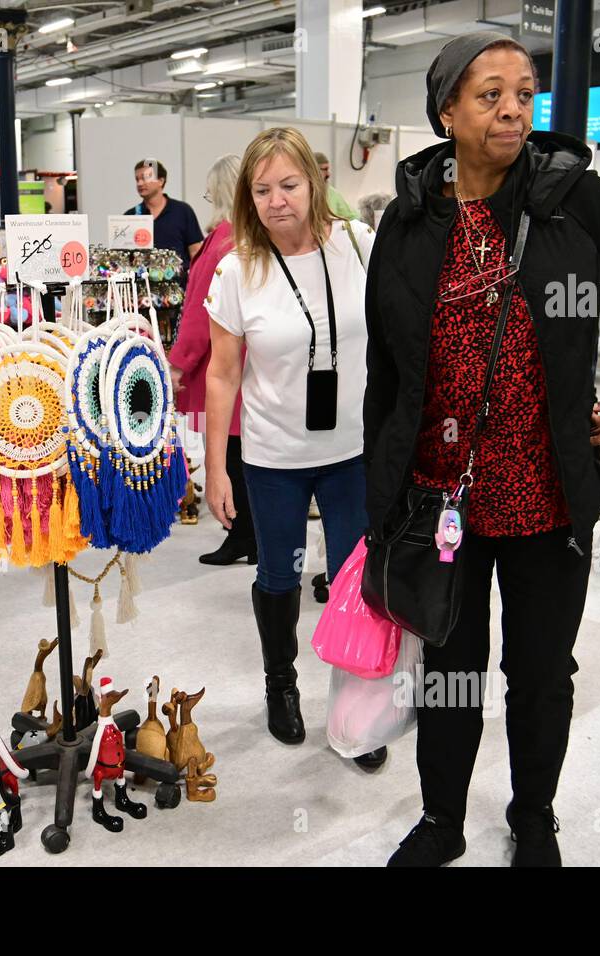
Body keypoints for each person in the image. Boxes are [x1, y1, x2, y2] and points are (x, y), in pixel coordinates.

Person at [364, 33, 600, 866]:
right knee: (450, 671)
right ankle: (442, 819)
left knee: (543, 674)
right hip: (445, 497)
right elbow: (386, 373)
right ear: (446, 112)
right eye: (490, 95)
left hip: (548, 490)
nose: (513, 109)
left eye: (524, 94)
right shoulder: (407, 225)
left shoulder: (571, 198)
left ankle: (533, 816)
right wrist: (378, 503)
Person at [204, 127, 383, 772]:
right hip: (274, 455)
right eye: (262, 190)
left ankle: (358, 705)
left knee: (355, 580)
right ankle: (281, 682)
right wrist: (216, 468)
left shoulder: (360, 246)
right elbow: (222, 374)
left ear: (314, 182)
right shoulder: (237, 269)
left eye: (289, 185)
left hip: (354, 451)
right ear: (247, 198)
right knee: (277, 574)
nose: (277, 201)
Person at [168, 154, 255, 566]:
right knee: (246, 453)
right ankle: (249, 534)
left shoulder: (222, 241)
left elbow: (200, 316)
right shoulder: (251, 237)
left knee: (229, 452)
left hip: (225, 365)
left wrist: (178, 364)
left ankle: (239, 533)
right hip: (251, 362)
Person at [125, 158, 204, 282]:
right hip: (142, 292)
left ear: (161, 181)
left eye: (145, 178)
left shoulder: (182, 211)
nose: (140, 183)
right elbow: (123, 260)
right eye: (137, 179)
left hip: (178, 291)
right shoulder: (130, 216)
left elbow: (196, 253)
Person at [314, 151, 360, 222]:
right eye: (325, 169)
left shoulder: (332, 193)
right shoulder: (302, 194)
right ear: (313, 170)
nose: (328, 174)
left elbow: (352, 216)